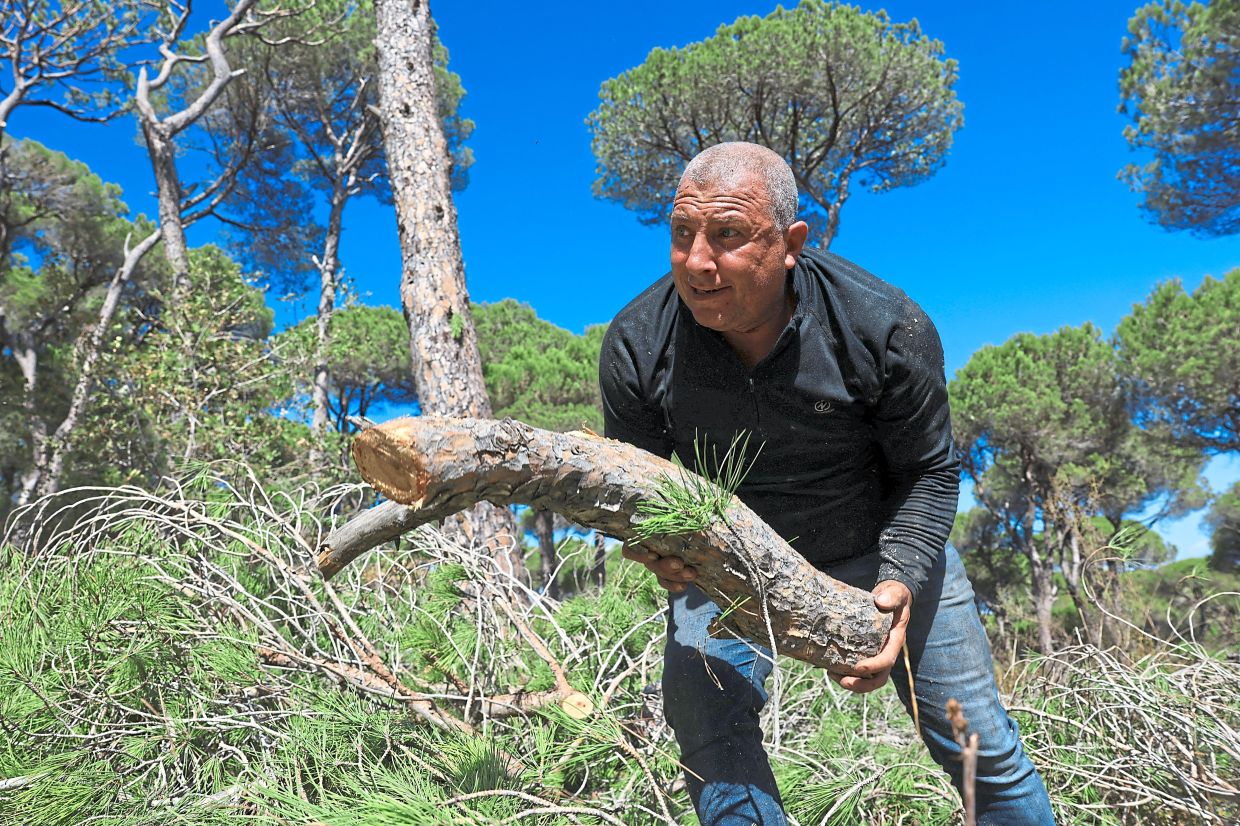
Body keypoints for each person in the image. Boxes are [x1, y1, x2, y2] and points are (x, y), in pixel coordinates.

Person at [599, 142, 1055, 825]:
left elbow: (929, 472)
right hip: (730, 561)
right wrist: (661, 548)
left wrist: (899, 580)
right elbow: (641, 486)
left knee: (978, 748)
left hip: (881, 540)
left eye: (726, 236)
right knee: (709, 734)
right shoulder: (639, 344)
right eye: (682, 233)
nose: (697, 262)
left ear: (789, 243)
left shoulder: (884, 327)